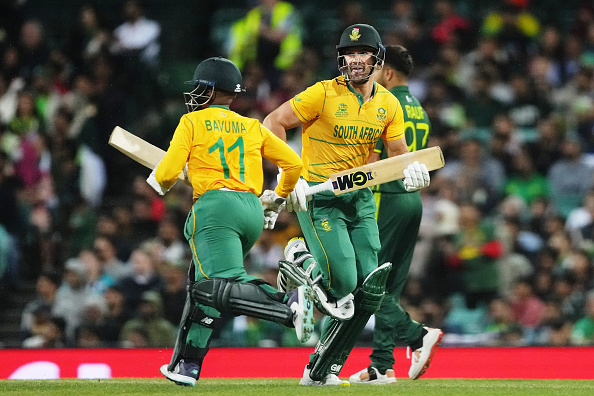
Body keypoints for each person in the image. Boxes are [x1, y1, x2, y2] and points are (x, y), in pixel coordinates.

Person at [263, 24, 430, 386]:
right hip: (318, 198)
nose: (355, 60)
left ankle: (320, 370)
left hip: (360, 198)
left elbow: (399, 155)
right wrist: (287, 177)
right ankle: (299, 259)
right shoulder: (322, 94)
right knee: (344, 284)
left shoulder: (388, 103)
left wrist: (414, 172)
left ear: (377, 58)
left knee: (370, 291)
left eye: (363, 53)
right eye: (349, 54)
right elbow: (273, 122)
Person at [150, 56, 316, 387]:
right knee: (200, 287)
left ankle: (289, 305)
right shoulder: (251, 125)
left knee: (215, 286)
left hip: (215, 208)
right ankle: (187, 365)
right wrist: (277, 199)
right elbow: (294, 164)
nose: (195, 93)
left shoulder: (192, 122)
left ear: (210, 91)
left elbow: (166, 173)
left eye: (199, 87)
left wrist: (158, 182)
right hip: (251, 210)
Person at [347, 45, 443, 385]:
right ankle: (382, 365)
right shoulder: (420, 110)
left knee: (367, 283)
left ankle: (418, 336)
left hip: (384, 197)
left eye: (375, 70)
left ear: (387, 73)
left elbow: (373, 158)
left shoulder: (384, 103)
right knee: (390, 286)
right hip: (412, 199)